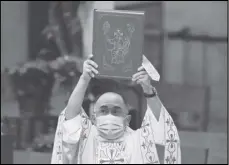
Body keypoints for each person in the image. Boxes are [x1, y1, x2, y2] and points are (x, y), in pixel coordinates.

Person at [51, 54, 181, 164]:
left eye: (116, 111)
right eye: (103, 110)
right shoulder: (85, 140)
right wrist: (84, 78)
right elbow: (70, 117)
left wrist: (148, 89)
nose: (110, 115)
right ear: (94, 117)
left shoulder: (139, 142)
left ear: (128, 118)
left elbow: (163, 130)